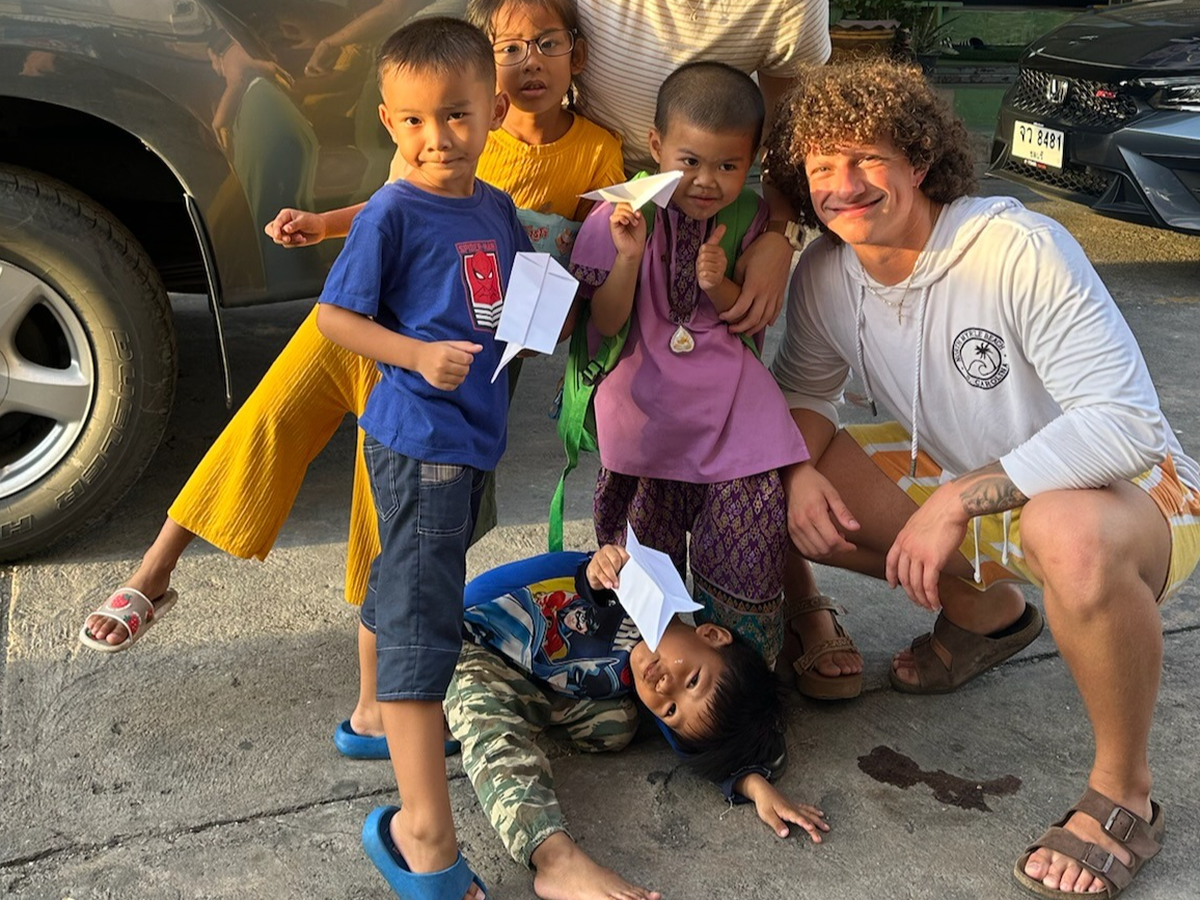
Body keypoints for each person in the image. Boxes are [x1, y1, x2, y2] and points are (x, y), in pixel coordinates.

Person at [82, 0, 856, 691]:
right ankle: (157, 569)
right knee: (269, 415)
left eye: (546, 45)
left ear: (577, 58)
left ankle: (384, 660)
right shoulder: (453, 124)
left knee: (391, 488)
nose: (528, 63)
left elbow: (588, 252)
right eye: (509, 49)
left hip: (466, 345)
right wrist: (322, 225)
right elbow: (397, 202)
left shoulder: (590, 150)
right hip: (376, 315)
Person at [763, 59, 1200, 898]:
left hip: (1138, 495)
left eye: (867, 157)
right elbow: (805, 395)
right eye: (821, 166)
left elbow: (1128, 425)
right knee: (769, 477)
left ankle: (1124, 793)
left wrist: (957, 501)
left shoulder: (1014, 248)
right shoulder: (825, 272)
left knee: (1063, 530)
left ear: (920, 158)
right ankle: (986, 614)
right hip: (968, 475)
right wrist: (791, 472)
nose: (844, 186)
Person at [315, 17, 530, 898]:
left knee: (410, 579)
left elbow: (514, 299)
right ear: (387, 121)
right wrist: (413, 354)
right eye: (412, 120)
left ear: (495, 111)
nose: (435, 137)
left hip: (469, 440)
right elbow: (336, 317)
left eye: (456, 115)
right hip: (419, 438)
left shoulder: (495, 208)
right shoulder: (393, 211)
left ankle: (375, 718)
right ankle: (425, 837)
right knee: (422, 622)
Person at [565, 62, 811, 675]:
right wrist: (628, 257)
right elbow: (607, 322)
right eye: (690, 161)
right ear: (656, 145)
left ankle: (741, 682)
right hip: (646, 420)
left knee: (749, 545)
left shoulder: (751, 216)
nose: (706, 181)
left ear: (753, 161)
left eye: (728, 165)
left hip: (734, 417)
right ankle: (664, 682)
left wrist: (719, 283)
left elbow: (743, 317)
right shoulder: (621, 213)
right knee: (646, 570)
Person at [446, 544, 829, 900]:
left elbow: (690, 744)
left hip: (540, 682)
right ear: (712, 634)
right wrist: (600, 571)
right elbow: (586, 581)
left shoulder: (648, 669)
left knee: (619, 723)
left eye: (671, 710)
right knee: (488, 724)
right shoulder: (642, 593)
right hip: (468, 641)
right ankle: (555, 858)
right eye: (692, 680)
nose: (665, 689)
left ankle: (470, 714)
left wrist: (754, 785)